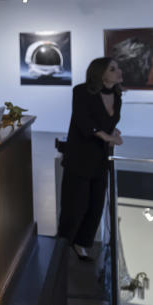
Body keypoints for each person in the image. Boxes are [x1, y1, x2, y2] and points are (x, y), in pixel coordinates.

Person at [57, 57, 124, 261]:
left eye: (117, 68)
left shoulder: (117, 95)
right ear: (100, 73)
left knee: (96, 205)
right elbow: (84, 121)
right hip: (80, 157)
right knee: (75, 206)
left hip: (101, 158)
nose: (118, 71)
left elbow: (108, 122)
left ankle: (81, 243)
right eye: (113, 68)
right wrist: (108, 136)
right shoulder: (81, 91)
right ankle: (62, 245)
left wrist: (114, 132)